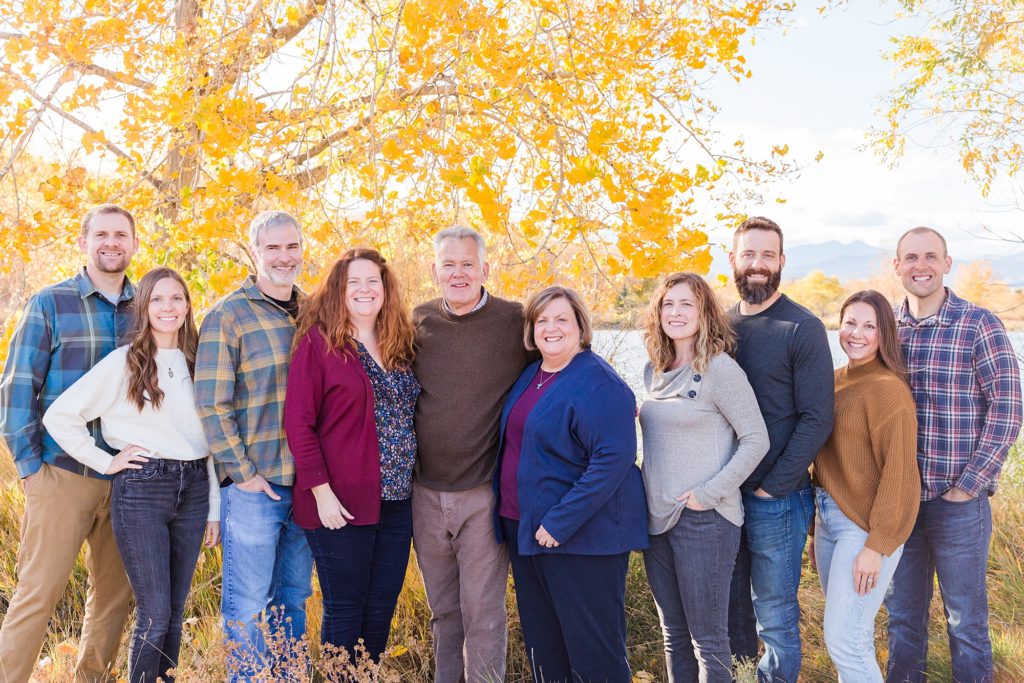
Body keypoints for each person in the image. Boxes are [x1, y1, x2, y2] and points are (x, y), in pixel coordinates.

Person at [42, 267, 221, 683]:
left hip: (193, 487)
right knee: (155, 611)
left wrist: (213, 508)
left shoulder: (199, 359)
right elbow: (61, 416)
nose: (167, 307)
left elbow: (211, 442)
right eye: (157, 299)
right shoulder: (125, 362)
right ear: (144, 307)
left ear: (188, 305)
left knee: (176, 610)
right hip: (143, 488)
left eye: (176, 297)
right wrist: (107, 461)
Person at [0, 204, 138, 683]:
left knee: (114, 598)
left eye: (121, 235)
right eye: (101, 234)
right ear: (84, 242)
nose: (112, 243)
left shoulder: (151, 307)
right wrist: (30, 469)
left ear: (134, 244)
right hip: (61, 474)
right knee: (38, 592)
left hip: (127, 480)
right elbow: (17, 389)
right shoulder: (50, 303)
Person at [885, 227, 1022, 683]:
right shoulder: (886, 329)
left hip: (958, 505)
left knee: (965, 622)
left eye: (930, 256)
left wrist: (968, 486)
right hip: (899, 506)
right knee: (903, 621)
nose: (919, 265)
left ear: (947, 263)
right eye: (910, 257)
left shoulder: (978, 323)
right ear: (897, 266)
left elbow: (1008, 408)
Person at [494, 286, 648, 683]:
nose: (551, 328)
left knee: (594, 656)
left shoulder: (600, 383)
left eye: (562, 319)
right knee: (544, 649)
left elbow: (613, 461)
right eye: (542, 320)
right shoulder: (533, 374)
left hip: (580, 540)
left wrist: (560, 522)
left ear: (581, 325)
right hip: (527, 534)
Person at [284, 249, 420, 667]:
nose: (364, 289)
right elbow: (298, 424)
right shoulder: (319, 344)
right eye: (352, 282)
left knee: (381, 607)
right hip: (340, 502)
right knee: (346, 610)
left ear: (385, 289)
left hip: (396, 500)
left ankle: (367, 677)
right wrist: (321, 493)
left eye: (372, 281)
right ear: (338, 291)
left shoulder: (399, 342)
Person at [411, 226, 535, 683]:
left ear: (485, 268)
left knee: (483, 614)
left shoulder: (516, 321)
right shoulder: (415, 322)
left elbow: (563, 363)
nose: (458, 273)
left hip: (483, 493)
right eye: (448, 264)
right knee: (444, 615)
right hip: (423, 493)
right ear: (434, 270)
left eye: (467, 264)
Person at [194, 210, 314, 679]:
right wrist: (243, 474)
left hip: (305, 487)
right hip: (252, 489)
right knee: (245, 605)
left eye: (292, 247)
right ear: (254, 252)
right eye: (273, 248)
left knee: (294, 599)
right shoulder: (229, 315)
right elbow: (211, 403)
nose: (284, 257)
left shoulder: (314, 312)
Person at [638, 273, 769, 683]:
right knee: (673, 635)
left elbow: (756, 440)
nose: (675, 313)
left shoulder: (719, 369)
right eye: (667, 304)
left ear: (704, 313)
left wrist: (708, 494)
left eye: (686, 304)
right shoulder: (653, 370)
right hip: (657, 520)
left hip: (704, 521)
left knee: (708, 641)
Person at [725, 216, 835, 682]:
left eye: (767, 255)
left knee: (775, 617)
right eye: (748, 254)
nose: (757, 264)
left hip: (778, 499)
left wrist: (774, 485)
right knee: (732, 615)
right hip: (724, 496)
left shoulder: (801, 327)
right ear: (732, 260)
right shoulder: (721, 325)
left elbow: (818, 418)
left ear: (782, 262)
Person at [810, 290, 919, 682]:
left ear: (883, 334)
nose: (857, 333)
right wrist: (815, 530)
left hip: (866, 529)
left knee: (846, 641)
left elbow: (901, 474)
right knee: (849, 640)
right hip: (829, 521)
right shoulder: (835, 381)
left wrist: (878, 545)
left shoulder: (888, 389)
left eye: (869, 325)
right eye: (850, 322)